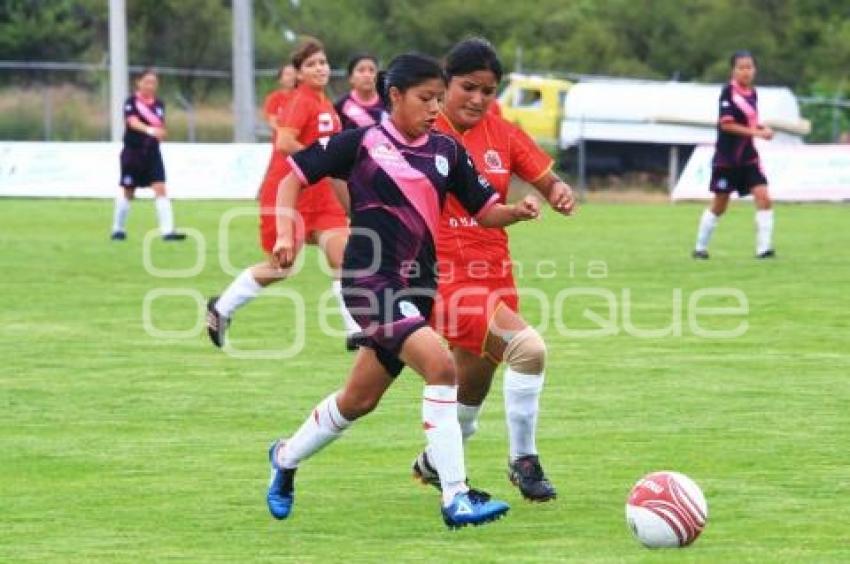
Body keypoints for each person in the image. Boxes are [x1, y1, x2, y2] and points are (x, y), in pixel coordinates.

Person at [265, 53, 542, 528]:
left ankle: (285, 459)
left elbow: (484, 209)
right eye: (425, 98)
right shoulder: (362, 141)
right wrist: (288, 234)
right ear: (395, 96)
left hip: (418, 288)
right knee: (440, 365)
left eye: (439, 98)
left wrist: (515, 211)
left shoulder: (447, 152)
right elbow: (292, 178)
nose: (435, 108)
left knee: (359, 399)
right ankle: (456, 496)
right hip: (370, 282)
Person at [407, 38, 575, 502]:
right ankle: (525, 460)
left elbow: (544, 177)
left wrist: (557, 191)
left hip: (495, 272)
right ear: (445, 83)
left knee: (472, 387)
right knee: (529, 349)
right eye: (468, 87)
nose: (478, 99)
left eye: (488, 90)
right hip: (445, 277)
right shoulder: (421, 129)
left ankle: (435, 460)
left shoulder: (503, 132)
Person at [206, 38, 360, 349]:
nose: (320, 68)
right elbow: (285, 142)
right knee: (281, 268)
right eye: (311, 64)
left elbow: (332, 159)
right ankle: (221, 308)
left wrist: (348, 197)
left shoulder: (325, 103)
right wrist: (318, 163)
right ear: (299, 73)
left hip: (323, 199)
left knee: (345, 258)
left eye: (323, 62)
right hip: (292, 197)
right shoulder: (301, 101)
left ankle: (356, 330)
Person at [693, 50, 775, 259]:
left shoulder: (753, 93)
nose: (746, 72)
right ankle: (700, 248)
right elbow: (727, 125)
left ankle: (764, 250)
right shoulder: (728, 92)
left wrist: (761, 127)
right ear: (733, 70)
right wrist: (757, 132)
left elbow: (749, 121)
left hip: (748, 157)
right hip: (727, 159)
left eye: (749, 67)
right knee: (720, 205)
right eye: (741, 67)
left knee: (764, 198)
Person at [111, 68, 185, 241]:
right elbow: (132, 122)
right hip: (133, 153)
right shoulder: (131, 102)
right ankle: (118, 229)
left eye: (154, 82)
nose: (151, 86)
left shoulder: (159, 104)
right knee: (128, 191)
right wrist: (151, 130)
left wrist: (160, 133)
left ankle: (167, 232)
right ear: (139, 82)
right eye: (147, 82)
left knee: (160, 189)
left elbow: (161, 126)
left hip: (152, 153)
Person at [334, 53, 386, 130]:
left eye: (372, 70)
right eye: (361, 70)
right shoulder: (341, 105)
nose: (367, 75)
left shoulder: (387, 102)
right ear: (351, 77)